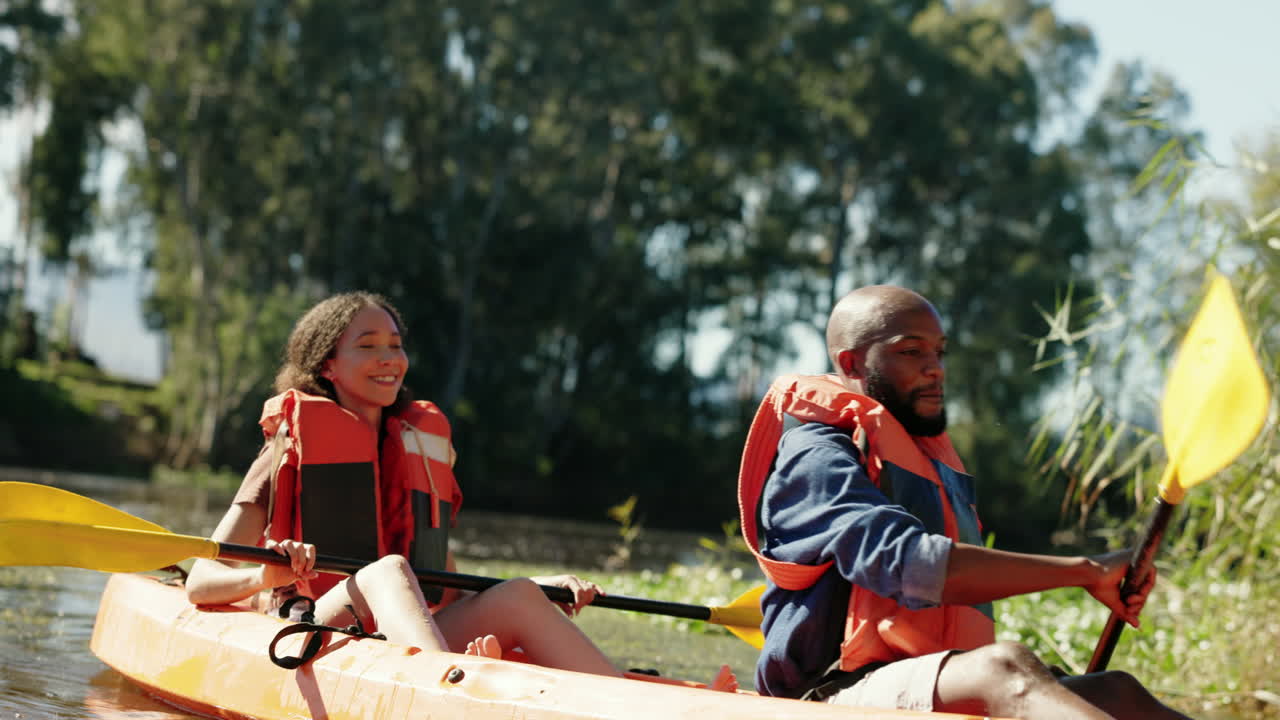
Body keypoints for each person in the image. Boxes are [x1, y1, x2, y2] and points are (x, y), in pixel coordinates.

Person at [736, 285, 1192, 718]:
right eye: (912, 351)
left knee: (1116, 692)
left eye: (940, 352)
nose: (935, 368)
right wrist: (1083, 572)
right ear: (852, 362)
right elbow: (908, 563)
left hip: (920, 679)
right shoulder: (817, 458)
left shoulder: (922, 459)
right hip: (826, 696)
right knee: (1004, 668)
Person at [185, 291, 619, 674]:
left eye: (395, 345)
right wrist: (263, 576)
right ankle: (446, 688)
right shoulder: (287, 453)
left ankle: (618, 700)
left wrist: (544, 587)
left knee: (521, 595)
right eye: (368, 345)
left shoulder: (419, 451)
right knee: (388, 570)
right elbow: (200, 582)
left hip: (401, 637)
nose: (389, 358)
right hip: (317, 620)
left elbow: (445, 589)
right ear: (328, 365)